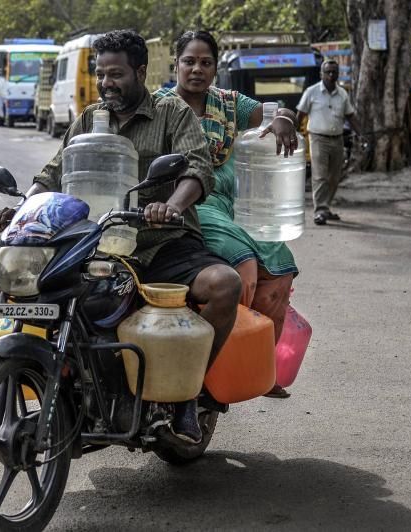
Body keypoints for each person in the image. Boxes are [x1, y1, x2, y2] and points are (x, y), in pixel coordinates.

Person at [0, 30, 242, 443]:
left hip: (159, 241)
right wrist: (20, 210)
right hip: (91, 242)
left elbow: (198, 168)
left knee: (224, 284)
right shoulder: (89, 119)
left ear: (140, 71)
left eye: (116, 75)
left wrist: (172, 206)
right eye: (101, 74)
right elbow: (53, 173)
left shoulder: (171, 112)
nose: (107, 83)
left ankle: (187, 397)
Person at [154, 30, 299, 398]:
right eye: (189, 61)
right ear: (176, 65)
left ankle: (258, 363)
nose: (197, 69)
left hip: (229, 202)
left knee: (281, 267)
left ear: (216, 68)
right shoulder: (158, 106)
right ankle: (218, 367)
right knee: (244, 269)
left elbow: (273, 110)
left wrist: (283, 117)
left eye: (205, 63)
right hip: (186, 201)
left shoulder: (229, 104)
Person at [297, 59, 361, 225]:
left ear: (338, 74)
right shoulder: (312, 92)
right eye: (328, 72)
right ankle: (320, 211)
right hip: (318, 138)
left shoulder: (342, 94)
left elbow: (351, 116)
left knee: (334, 176)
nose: (331, 75)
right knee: (320, 175)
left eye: (334, 72)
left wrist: (361, 133)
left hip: (338, 139)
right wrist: (294, 134)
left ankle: (326, 207)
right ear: (322, 74)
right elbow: (300, 115)